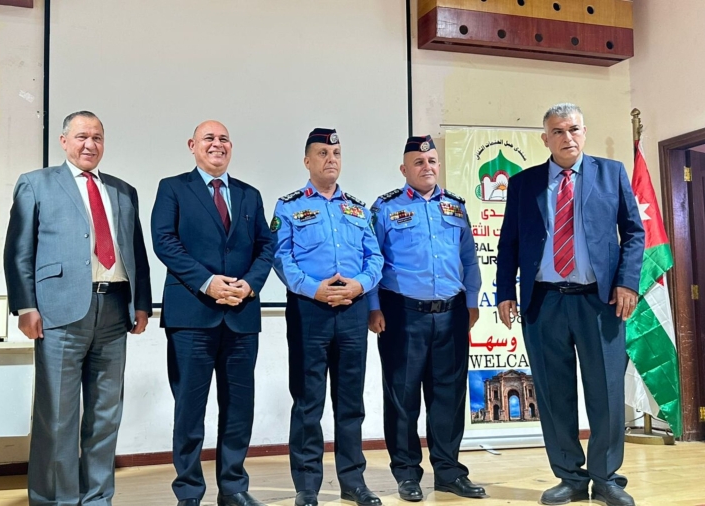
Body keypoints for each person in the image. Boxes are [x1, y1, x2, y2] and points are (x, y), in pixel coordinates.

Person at [496, 103, 644, 506]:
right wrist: (505, 291)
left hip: (599, 301)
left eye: (574, 129)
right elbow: (509, 242)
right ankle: (570, 477)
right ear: (546, 139)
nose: (568, 137)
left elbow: (634, 232)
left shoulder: (611, 173)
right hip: (544, 302)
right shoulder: (524, 183)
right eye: (558, 132)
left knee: (606, 392)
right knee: (552, 394)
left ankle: (606, 477)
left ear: (584, 132)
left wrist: (627, 282)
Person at [4, 110, 152, 506]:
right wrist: (25, 306)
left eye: (97, 138)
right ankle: (56, 500)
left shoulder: (123, 190)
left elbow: (135, 250)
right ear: (64, 141)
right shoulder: (36, 184)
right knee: (57, 415)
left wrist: (141, 304)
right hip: (59, 312)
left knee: (105, 414)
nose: (90, 144)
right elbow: (18, 250)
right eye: (82, 137)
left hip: (114, 309)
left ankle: (97, 498)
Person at [151, 120, 274, 506]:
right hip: (192, 315)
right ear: (192, 145)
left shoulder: (249, 194)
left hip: (241, 315)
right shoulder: (173, 188)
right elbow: (164, 241)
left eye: (224, 139)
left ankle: (233, 488)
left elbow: (266, 247)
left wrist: (249, 284)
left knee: (239, 408)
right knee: (190, 408)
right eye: (209, 138)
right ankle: (189, 492)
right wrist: (207, 283)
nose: (217, 144)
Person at [367, 135, 486, 501]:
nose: (427, 167)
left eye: (432, 161)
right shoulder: (385, 207)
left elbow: (469, 259)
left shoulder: (455, 207)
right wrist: (373, 306)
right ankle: (406, 473)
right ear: (404, 169)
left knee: (449, 396)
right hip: (402, 315)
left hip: (451, 314)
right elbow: (371, 259)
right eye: (419, 162)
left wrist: (471, 301)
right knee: (403, 398)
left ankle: (449, 471)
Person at [272, 128, 384, 506]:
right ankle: (307, 486)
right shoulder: (288, 206)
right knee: (308, 402)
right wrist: (312, 288)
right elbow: (281, 257)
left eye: (336, 153)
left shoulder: (358, 208)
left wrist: (359, 285)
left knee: (350, 402)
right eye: (322, 153)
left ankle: (353, 482)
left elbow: (375, 257)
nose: (331, 159)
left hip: (352, 311)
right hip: (310, 311)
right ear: (307, 161)